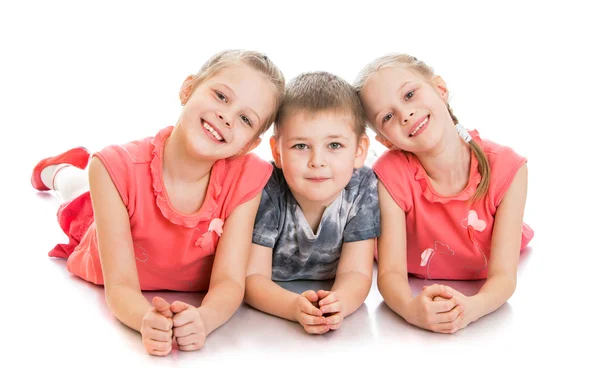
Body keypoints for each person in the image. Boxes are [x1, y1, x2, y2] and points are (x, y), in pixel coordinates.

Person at [31, 50, 285, 355]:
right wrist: (143, 319)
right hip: (109, 234)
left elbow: (230, 281)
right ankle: (57, 169)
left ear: (249, 144)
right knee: (78, 195)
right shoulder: (115, 170)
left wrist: (204, 319)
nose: (226, 117)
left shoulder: (247, 178)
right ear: (188, 89)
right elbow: (122, 285)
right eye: (220, 96)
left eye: (245, 119)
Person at [354, 53, 533, 334]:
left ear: (440, 89)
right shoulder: (389, 175)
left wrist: (472, 308)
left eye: (410, 94)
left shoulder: (507, 168)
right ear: (385, 140)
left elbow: (504, 278)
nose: (406, 114)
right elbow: (390, 274)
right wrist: (410, 309)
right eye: (387, 116)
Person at [245, 72, 380, 335]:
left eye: (334, 145)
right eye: (300, 146)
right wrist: (292, 306)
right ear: (277, 151)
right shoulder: (267, 188)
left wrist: (340, 302)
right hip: (270, 315)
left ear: (359, 150)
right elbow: (252, 278)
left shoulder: (362, 187)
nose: (317, 161)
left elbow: (357, 271)